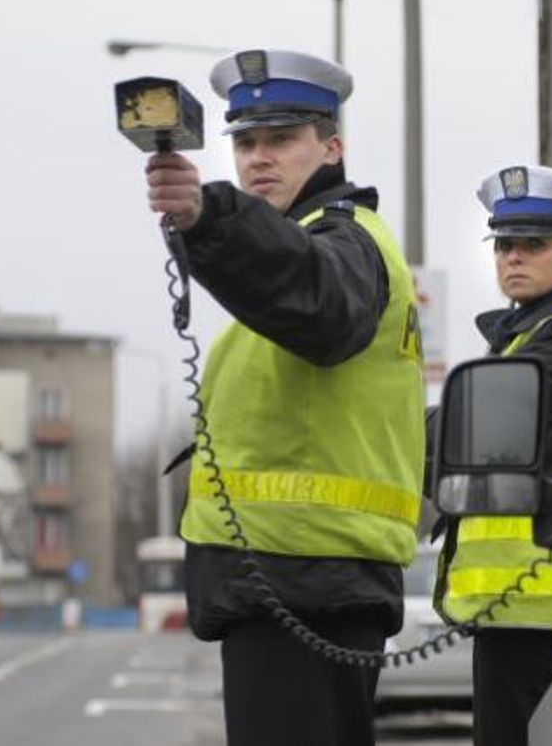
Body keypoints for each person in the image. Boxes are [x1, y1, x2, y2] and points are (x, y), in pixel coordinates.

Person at [143, 49, 425, 746]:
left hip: (305, 574)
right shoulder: (311, 240)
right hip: (298, 576)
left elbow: (319, 300)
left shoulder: (348, 242)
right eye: (244, 141)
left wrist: (209, 217)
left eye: (281, 139)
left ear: (332, 146)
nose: (258, 158)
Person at [433, 165, 552, 746]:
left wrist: (391, 434)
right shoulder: (529, 335)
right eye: (505, 245)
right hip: (524, 609)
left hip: (544, 608)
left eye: (534, 245)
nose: (513, 257)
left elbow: (481, 428)